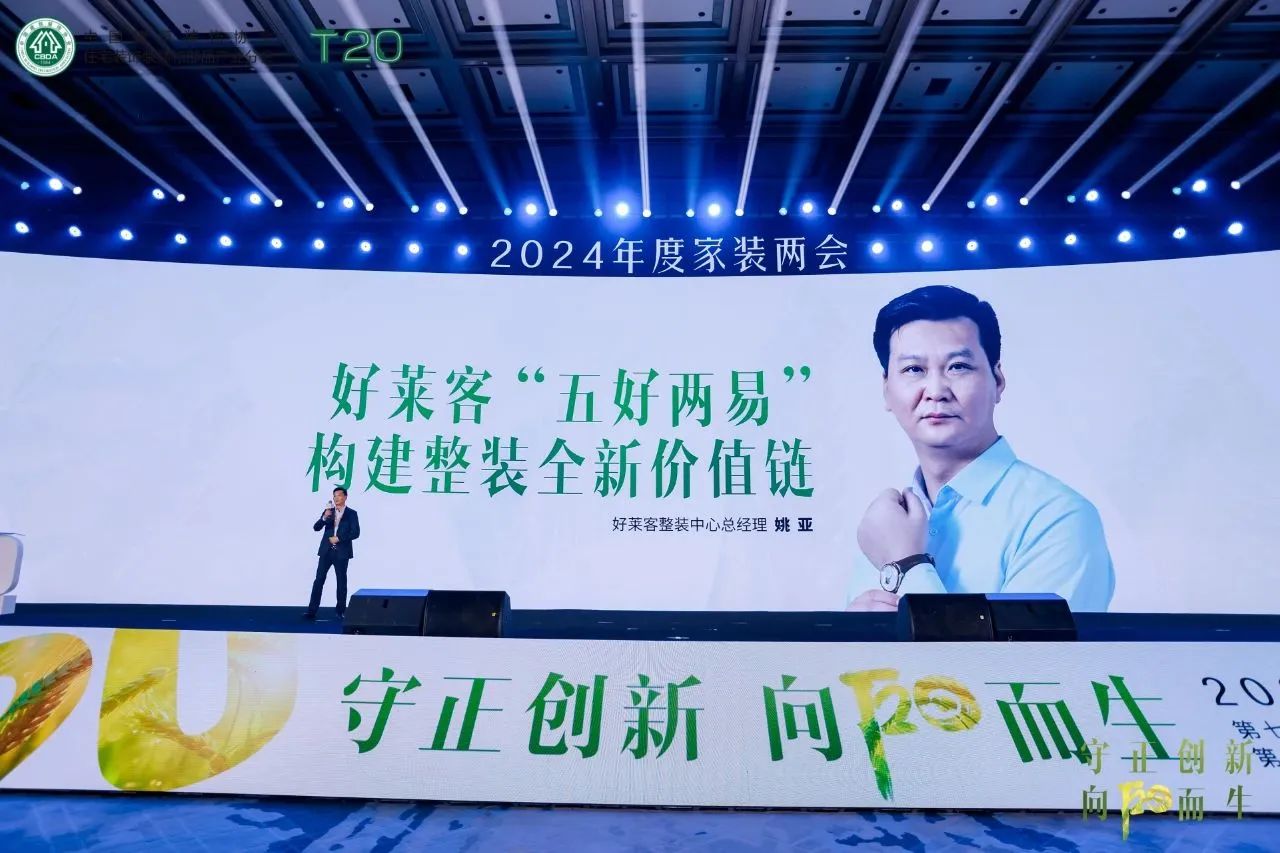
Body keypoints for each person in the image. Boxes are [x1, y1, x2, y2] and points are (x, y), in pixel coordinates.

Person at [848, 285, 1114, 612]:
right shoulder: (887, 521)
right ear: (886, 389)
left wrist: (907, 565)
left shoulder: (1058, 519)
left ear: (997, 380)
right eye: (914, 369)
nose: (936, 390)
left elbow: (1024, 648)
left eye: (958, 366)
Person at [304, 486, 360, 619]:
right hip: (326, 552)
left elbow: (355, 533)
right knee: (319, 580)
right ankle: (312, 611)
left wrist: (339, 538)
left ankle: (340, 611)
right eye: (334, 496)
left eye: (339, 495)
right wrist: (324, 517)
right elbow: (316, 527)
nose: (336, 498)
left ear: (345, 497)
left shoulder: (352, 513)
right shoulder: (329, 512)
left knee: (341, 582)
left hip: (341, 552)